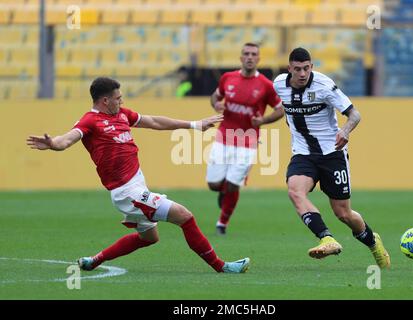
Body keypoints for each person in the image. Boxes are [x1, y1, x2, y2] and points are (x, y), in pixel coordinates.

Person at [27, 77, 250, 274]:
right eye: (118, 98)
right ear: (105, 101)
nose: (121, 102)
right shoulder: (89, 121)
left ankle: (93, 261)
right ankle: (222, 266)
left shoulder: (122, 114)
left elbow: (154, 122)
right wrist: (52, 143)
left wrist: (193, 124)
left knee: (149, 238)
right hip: (127, 192)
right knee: (185, 216)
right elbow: (67, 140)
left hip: (137, 186)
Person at [273, 47, 390, 268]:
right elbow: (280, 107)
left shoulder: (324, 86)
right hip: (303, 154)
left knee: (343, 213)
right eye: (297, 69)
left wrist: (345, 131)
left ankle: (373, 242)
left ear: (312, 67)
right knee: (295, 191)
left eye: (306, 68)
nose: (302, 74)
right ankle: (326, 238)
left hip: (332, 153)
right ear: (289, 69)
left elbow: (355, 114)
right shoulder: (279, 84)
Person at [208, 43, 284, 235]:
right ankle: (224, 191)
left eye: (254, 54)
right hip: (224, 137)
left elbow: (280, 110)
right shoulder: (228, 78)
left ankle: (222, 224)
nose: (250, 57)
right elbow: (215, 97)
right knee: (213, 185)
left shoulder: (266, 85)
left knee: (234, 184)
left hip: (248, 141)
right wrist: (216, 105)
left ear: (258, 59)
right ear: (241, 57)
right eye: (246, 54)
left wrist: (263, 120)